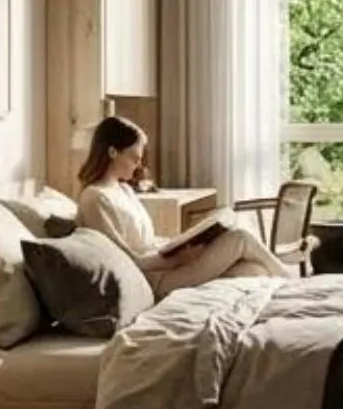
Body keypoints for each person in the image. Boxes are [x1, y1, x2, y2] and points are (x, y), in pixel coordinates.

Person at [76, 116, 294, 298]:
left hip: (166, 266)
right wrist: (175, 259)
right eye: (134, 158)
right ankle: (295, 286)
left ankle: (285, 282)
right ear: (113, 153)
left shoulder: (123, 190)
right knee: (241, 238)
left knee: (255, 271)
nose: (139, 166)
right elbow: (126, 259)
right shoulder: (95, 199)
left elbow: (147, 241)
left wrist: (182, 244)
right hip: (155, 280)